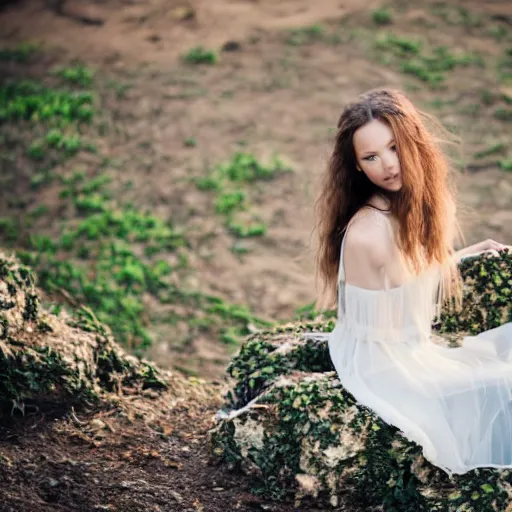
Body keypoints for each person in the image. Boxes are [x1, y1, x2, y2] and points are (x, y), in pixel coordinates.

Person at [312, 88, 512, 476]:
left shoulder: (405, 207)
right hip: (384, 366)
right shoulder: (368, 231)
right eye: (371, 157)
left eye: (394, 147)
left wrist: (462, 256)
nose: (388, 165)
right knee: (503, 381)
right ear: (357, 167)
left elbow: (405, 285)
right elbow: (379, 335)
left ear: (413, 141)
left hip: (408, 350)